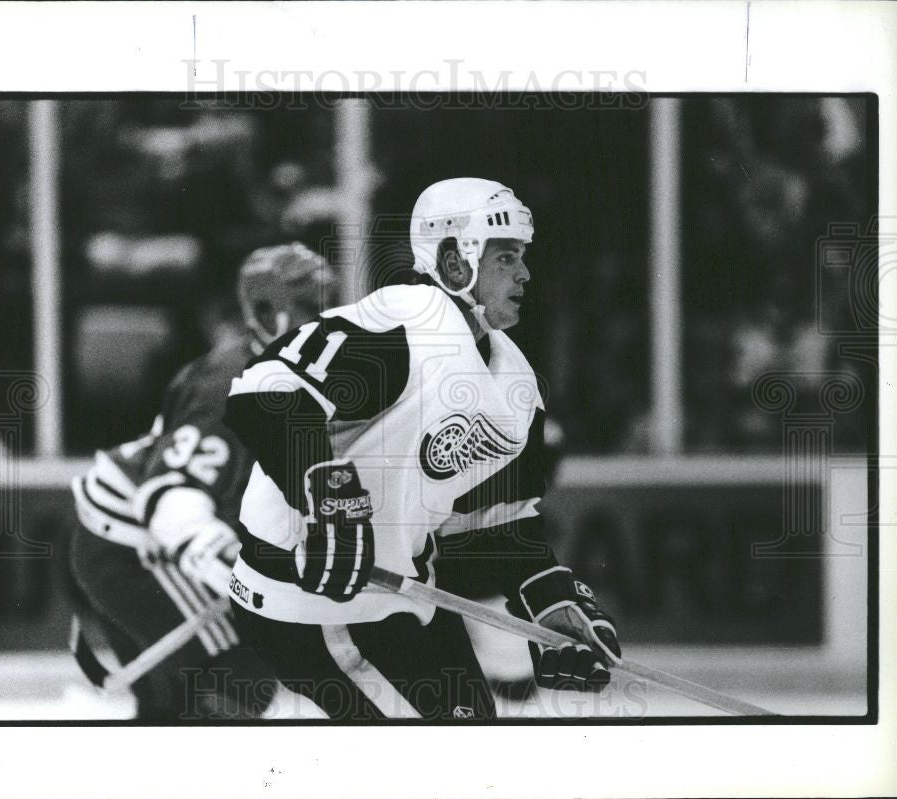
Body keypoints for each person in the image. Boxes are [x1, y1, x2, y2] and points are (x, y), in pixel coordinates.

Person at [223, 178, 622, 720]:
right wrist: (330, 495)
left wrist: (547, 599)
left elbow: (497, 526)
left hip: (405, 596)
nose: (525, 273)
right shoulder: (403, 322)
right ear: (457, 262)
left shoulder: (518, 387)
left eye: (521, 257)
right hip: (303, 602)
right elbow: (263, 392)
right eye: (506, 257)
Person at [68, 243, 339, 720]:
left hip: (150, 539)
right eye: (312, 309)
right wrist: (222, 558)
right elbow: (172, 494)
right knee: (239, 678)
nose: (331, 321)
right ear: (263, 312)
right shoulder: (230, 385)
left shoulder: (306, 379)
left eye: (333, 305)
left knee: (177, 704)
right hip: (134, 545)